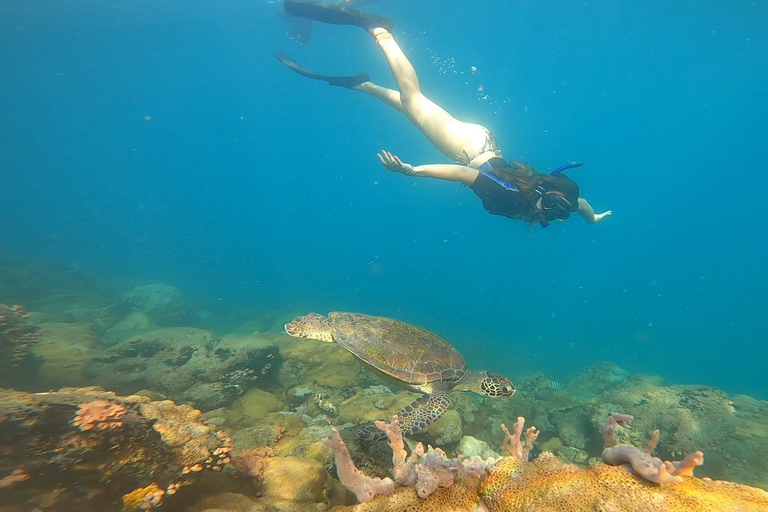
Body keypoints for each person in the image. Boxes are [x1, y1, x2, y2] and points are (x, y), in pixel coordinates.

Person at [277, 0, 612, 228]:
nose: (552, 215)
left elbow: (576, 203)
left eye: (560, 214)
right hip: (466, 148)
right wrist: (412, 171)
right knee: (414, 99)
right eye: (554, 206)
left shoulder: (549, 202)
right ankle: (379, 30)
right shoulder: (510, 194)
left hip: (479, 143)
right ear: (543, 192)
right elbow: (460, 175)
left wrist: (591, 216)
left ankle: (362, 85)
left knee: (413, 110)